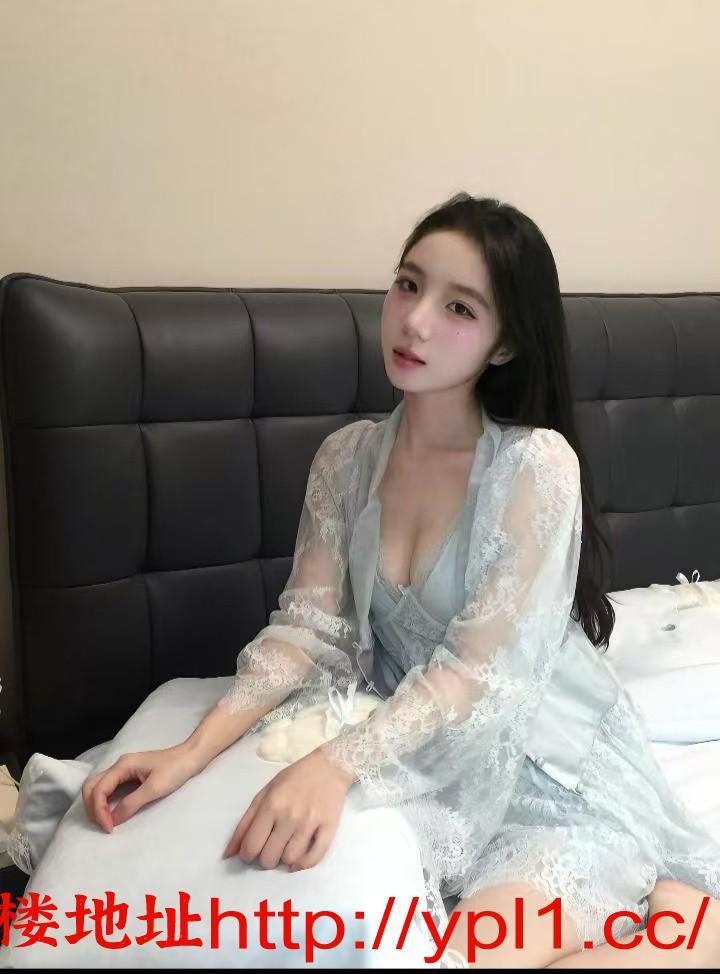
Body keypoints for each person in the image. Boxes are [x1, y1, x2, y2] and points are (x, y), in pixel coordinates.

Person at [81, 193, 720, 968]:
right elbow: (305, 632)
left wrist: (334, 764)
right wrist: (190, 752)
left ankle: (687, 926)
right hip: (424, 747)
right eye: (408, 285)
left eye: (459, 307)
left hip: (543, 763)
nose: (414, 321)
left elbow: (476, 674)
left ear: (506, 344)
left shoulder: (534, 465)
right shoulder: (346, 459)